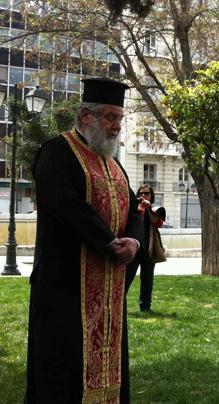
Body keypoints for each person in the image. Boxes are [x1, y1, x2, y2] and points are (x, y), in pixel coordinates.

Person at [25, 78, 141, 403]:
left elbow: (134, 210)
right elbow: (66, 205)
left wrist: (133, 240)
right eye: (110, 117)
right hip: (65, 289)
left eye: (120, 118)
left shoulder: (115, 164)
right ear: (85, 116)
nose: (117, 126)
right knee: (63, 375)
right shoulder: (56, 152)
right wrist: (109, 242)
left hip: (108, 291)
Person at [125, 184, 166, 312]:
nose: (143, 195)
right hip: (135, 248)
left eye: (146, 193)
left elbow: (158, 223)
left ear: (151, 195)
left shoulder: (154, 211)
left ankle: (145, 306)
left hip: (149, 249)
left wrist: (148, 209)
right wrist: (141, 208)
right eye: (141, 193)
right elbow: (134, 221)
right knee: (127, 277)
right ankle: (119, 303)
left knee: (147, 279)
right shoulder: (134, 210)